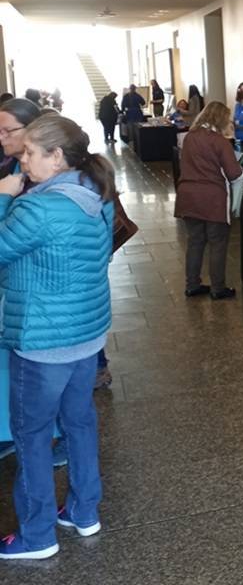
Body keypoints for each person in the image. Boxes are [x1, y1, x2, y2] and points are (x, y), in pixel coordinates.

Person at [0, 114, 115, 560]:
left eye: (29, 153)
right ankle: (85, 512)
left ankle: (37, 534)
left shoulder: (38, 207)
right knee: (80, 422)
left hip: (43, 341)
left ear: (56, 156)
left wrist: (4, 199)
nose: (22, 161)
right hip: (85, 335)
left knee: (31, 436)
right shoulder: (97, 193)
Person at [174, 101, 242, 300]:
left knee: (195, 242)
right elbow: (233, 172)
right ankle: (218, 288)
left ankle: (192, 284)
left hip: (188, 196)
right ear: (220, 118)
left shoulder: (189, 137)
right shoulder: (218, 141)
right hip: (212, 198)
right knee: (217, 242)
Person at [0, 98, 42, 178]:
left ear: (32, 128)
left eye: (8, 131)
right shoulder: (8, 164)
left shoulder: (46, 173)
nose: (1, 137)